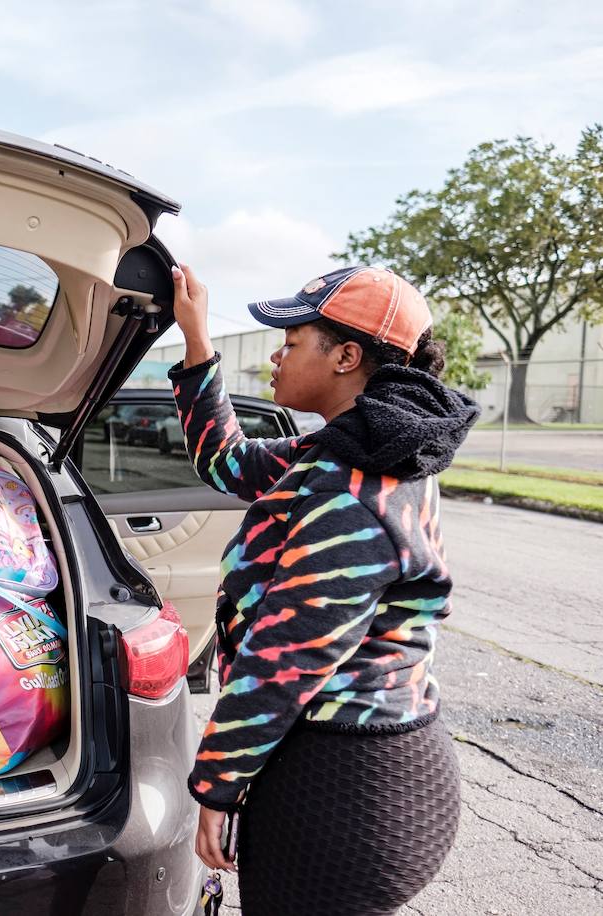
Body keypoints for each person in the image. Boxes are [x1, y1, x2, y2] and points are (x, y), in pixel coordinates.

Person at [170, 264, 478, 915]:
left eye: (292, 340)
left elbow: (289, 658)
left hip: (347, 790)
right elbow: (227, 461)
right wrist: (197, 345)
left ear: (346, 355)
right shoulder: (350, 450)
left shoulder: (355, 485)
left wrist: (216, 788)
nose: (276, 356)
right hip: (350, 767)